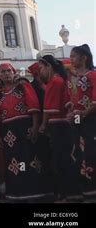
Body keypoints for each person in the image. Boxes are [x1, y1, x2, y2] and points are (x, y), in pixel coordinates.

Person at [0, 63, 51, 201]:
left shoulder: (23, 87)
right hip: (8, 132)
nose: (6, 74)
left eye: (9, 71)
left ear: (14, 72)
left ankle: (35, 191)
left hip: (25, 127)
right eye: (3, 71)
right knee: (14, 161)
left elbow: (33, 106)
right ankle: (18, 192)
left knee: (30, 158)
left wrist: (35, 127)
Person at [38, 55, 82, 202]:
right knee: (63, 159)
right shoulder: (57, 80)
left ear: (48, 66)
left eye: (41, 68)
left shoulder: (55, 82)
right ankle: (69, 192)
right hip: (62, 124)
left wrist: (43, 125)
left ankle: (66, 193)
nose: (40, 72)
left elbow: (49, 108)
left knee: (60, 161)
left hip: (58, 125)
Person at [66, 44, 96, 198]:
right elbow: (73, 101)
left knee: (90, 151)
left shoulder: (92, 75)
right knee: (77, 150)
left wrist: (83, 113)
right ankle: (83, 190)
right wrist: (71, 114)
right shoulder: (72, 78)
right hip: (79, 118)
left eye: (73, 56)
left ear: (83, 58)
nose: (71, 59)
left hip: (91, 119)